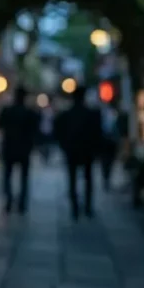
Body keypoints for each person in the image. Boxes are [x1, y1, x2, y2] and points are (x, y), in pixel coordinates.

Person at [54, 86, 104, 219]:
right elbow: (98, 134)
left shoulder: (66, 115)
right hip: (86, 151)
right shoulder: (91, 114)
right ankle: (87, 206)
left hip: (72, 151)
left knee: (72, 179)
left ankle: (75, 207)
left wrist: (64, 146)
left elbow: (58, 132)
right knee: (88, 179)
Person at [0, 87, 41, 213]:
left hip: (9, 147)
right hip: (24, 149)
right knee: (24, 177)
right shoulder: (29, 113)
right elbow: (35, 129)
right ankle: (22, 202)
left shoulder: (7, 111)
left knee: (8, 175)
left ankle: (9, 200)